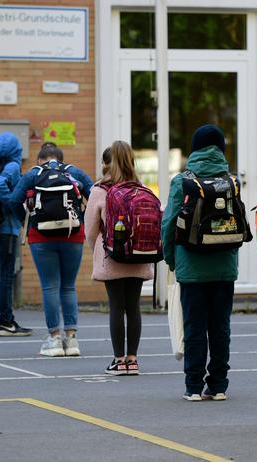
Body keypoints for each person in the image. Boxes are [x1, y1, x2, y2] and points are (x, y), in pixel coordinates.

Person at [161, 124, 238, 401]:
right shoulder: (232, 181)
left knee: (194, 327)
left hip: (191, 267)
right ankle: (218, 386)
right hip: (224, 267)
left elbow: (169, 224)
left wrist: (172, 260)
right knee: (220, 327)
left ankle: (193, 386)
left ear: (194, 148)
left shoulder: (182, 181)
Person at [9, 143, 93, 356]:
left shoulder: (33, 174)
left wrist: (27, 223)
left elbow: (13, 201)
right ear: (61, 159)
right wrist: (81, 220)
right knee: (68, 287)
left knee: (50, 287)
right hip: (73, 235)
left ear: (40, 160)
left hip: (41, 236)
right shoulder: (74, 172)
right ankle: (72, 340)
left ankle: (54, 339)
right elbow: (94, 195)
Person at [84, 142, 154, 375]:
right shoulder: (141, 188)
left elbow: (90, 231)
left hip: (113, 256)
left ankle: (118, 360)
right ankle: (132, 360)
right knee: (133, 306)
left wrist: (100, 251)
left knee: (116, 306)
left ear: (106, 164)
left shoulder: (99, 190)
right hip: (139, 255)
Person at [0, 132, 32, 337]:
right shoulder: (12, 167)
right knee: (6, 276)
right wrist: (12, 203)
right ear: (15, 150)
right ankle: (6, 322)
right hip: (5, 230)